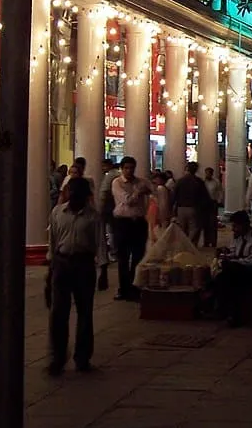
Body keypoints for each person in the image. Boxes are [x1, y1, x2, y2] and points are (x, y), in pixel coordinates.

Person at [46, 177, 107, 376]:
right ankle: (57, 357)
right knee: (58, 313)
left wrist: (103, 270)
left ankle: (82, 357)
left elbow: (100, 244)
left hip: (84, 264)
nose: (73, 195)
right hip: (62, 264)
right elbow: (53, 242)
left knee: (85, 312)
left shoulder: (93, 217)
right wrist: (50, 271)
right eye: (70, 191)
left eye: (78, 192)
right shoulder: (57, 213)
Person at [206, 211, 252, 326]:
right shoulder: (238, 237)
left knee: (231, 275)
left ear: (244, 225)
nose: (233, 229)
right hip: (238, 269)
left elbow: (251, 261)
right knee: (223, 277)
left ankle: (233, 315)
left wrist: (232, 261)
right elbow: (235, 252)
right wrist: (225, 254)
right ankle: (223, 311)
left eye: (235, 226)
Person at [110, 157, 151, 301]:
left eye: (132, 168)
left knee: (138, 256)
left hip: (138, 222)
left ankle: (134, 287)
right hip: (123, 223)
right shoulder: (117, 183)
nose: (129, 171)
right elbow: (127, 200)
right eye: (126, 168)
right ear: (122, 168)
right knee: (123, 257)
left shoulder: (140, 182)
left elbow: (152, 193)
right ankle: (123, 288)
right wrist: (138, 192)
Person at [174, 162, 211, 245]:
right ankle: (191, 246)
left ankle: (183, 245)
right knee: (194, 229)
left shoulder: (180, 181)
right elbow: (205, 196)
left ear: (187, 168)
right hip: (194, 208)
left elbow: (174, 195)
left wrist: (173, 209)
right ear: (196, 170)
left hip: (181, 208)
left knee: (182, 229)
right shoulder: (198, 181)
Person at [146, 171, 173, 242]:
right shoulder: (161, 188)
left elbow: (163, 204)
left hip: (156, 212)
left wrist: (161, 216)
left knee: (156, 234)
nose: (154, 181)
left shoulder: (161, 188)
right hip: (153, 212)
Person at [203, 167, 224, 247]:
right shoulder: (203, 182)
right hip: (205, 204)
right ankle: (206, 241)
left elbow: (220, 191)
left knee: (213, 223)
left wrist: (219, 201)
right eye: (206, 173)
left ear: (212, 173)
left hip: (213, 203)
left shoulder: (216, 182)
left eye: (209, 173)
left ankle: (213, 241)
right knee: (205, 223)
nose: (208, 174)